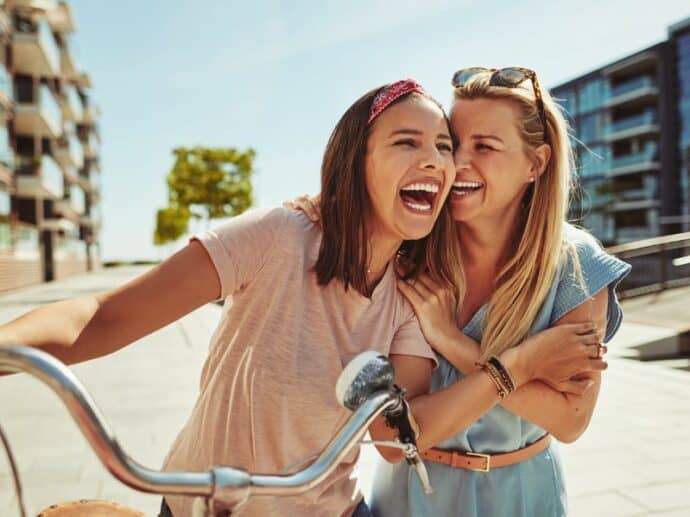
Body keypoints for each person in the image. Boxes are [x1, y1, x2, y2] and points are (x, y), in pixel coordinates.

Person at [1, 79, 607, 517]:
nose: (437, 159)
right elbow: (100, 317)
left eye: (443, 147)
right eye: (407, 142)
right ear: (356, 161)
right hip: (206, 505)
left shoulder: (417, 291)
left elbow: (397, 440)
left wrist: (497, 362)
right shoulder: (278, 236)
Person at [287, 67, 630, 517]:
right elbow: (396, 433)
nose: (456, 164)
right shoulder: (410, 253)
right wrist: (525, 368)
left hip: (525, 498)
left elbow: (570, 421)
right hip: (410, 496)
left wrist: (454, 342)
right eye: (453, 143)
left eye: (484, 147)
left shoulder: (578, 267)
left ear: (536, 164)